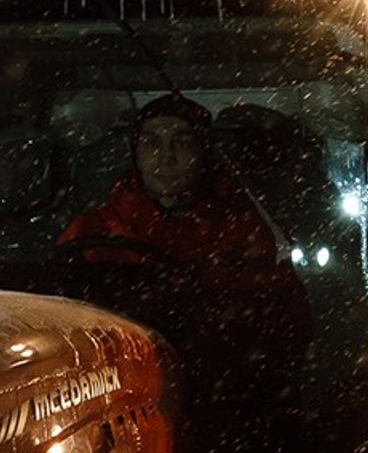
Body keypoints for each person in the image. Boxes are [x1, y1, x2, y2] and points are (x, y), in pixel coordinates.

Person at [55, 95, 310, 389]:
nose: (166, 158)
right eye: (151, 143)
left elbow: (284, 326)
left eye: (182, 143)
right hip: (111, 390)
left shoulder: (243, 231)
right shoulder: (91, 232)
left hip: (220, 391)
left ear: (204, 152)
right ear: (135, 154)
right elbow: (54, 318)